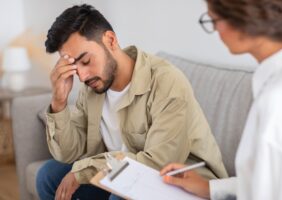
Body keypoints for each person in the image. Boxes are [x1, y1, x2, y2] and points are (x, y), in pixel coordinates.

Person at [36, 4, 228, 200]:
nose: (82, 76)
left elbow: (159, 162)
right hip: (121, 174)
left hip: (181, 181)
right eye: (74, 67)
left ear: (110, 40)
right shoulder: (93, 86)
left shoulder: (166, 81)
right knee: (48, 176)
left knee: (122, 192)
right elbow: (68, 153)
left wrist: (84, 171)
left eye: (85, 61)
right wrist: (59, 102)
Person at [160, 0, 282, 199]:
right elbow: (269, 179)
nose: (216, 29)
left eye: (214, 20)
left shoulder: (279, 100)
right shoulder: (280, 79)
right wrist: (210, 188)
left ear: (242, 19)